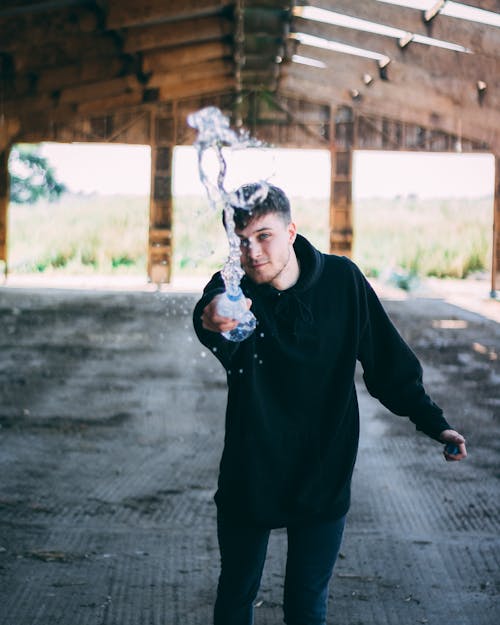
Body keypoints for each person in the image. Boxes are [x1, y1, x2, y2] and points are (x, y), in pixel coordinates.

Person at [192, 183, 467, 625]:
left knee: (306, 606)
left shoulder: (342, 281)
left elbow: (387, 362)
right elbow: (209, 316)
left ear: (292, 231)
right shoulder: (232, 288)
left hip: (323, 471)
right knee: (235, 596)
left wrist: (433, 422)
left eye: (264, 236)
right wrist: (213, 318)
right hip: (252, 469)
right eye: (240, 241)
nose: (252, 251)